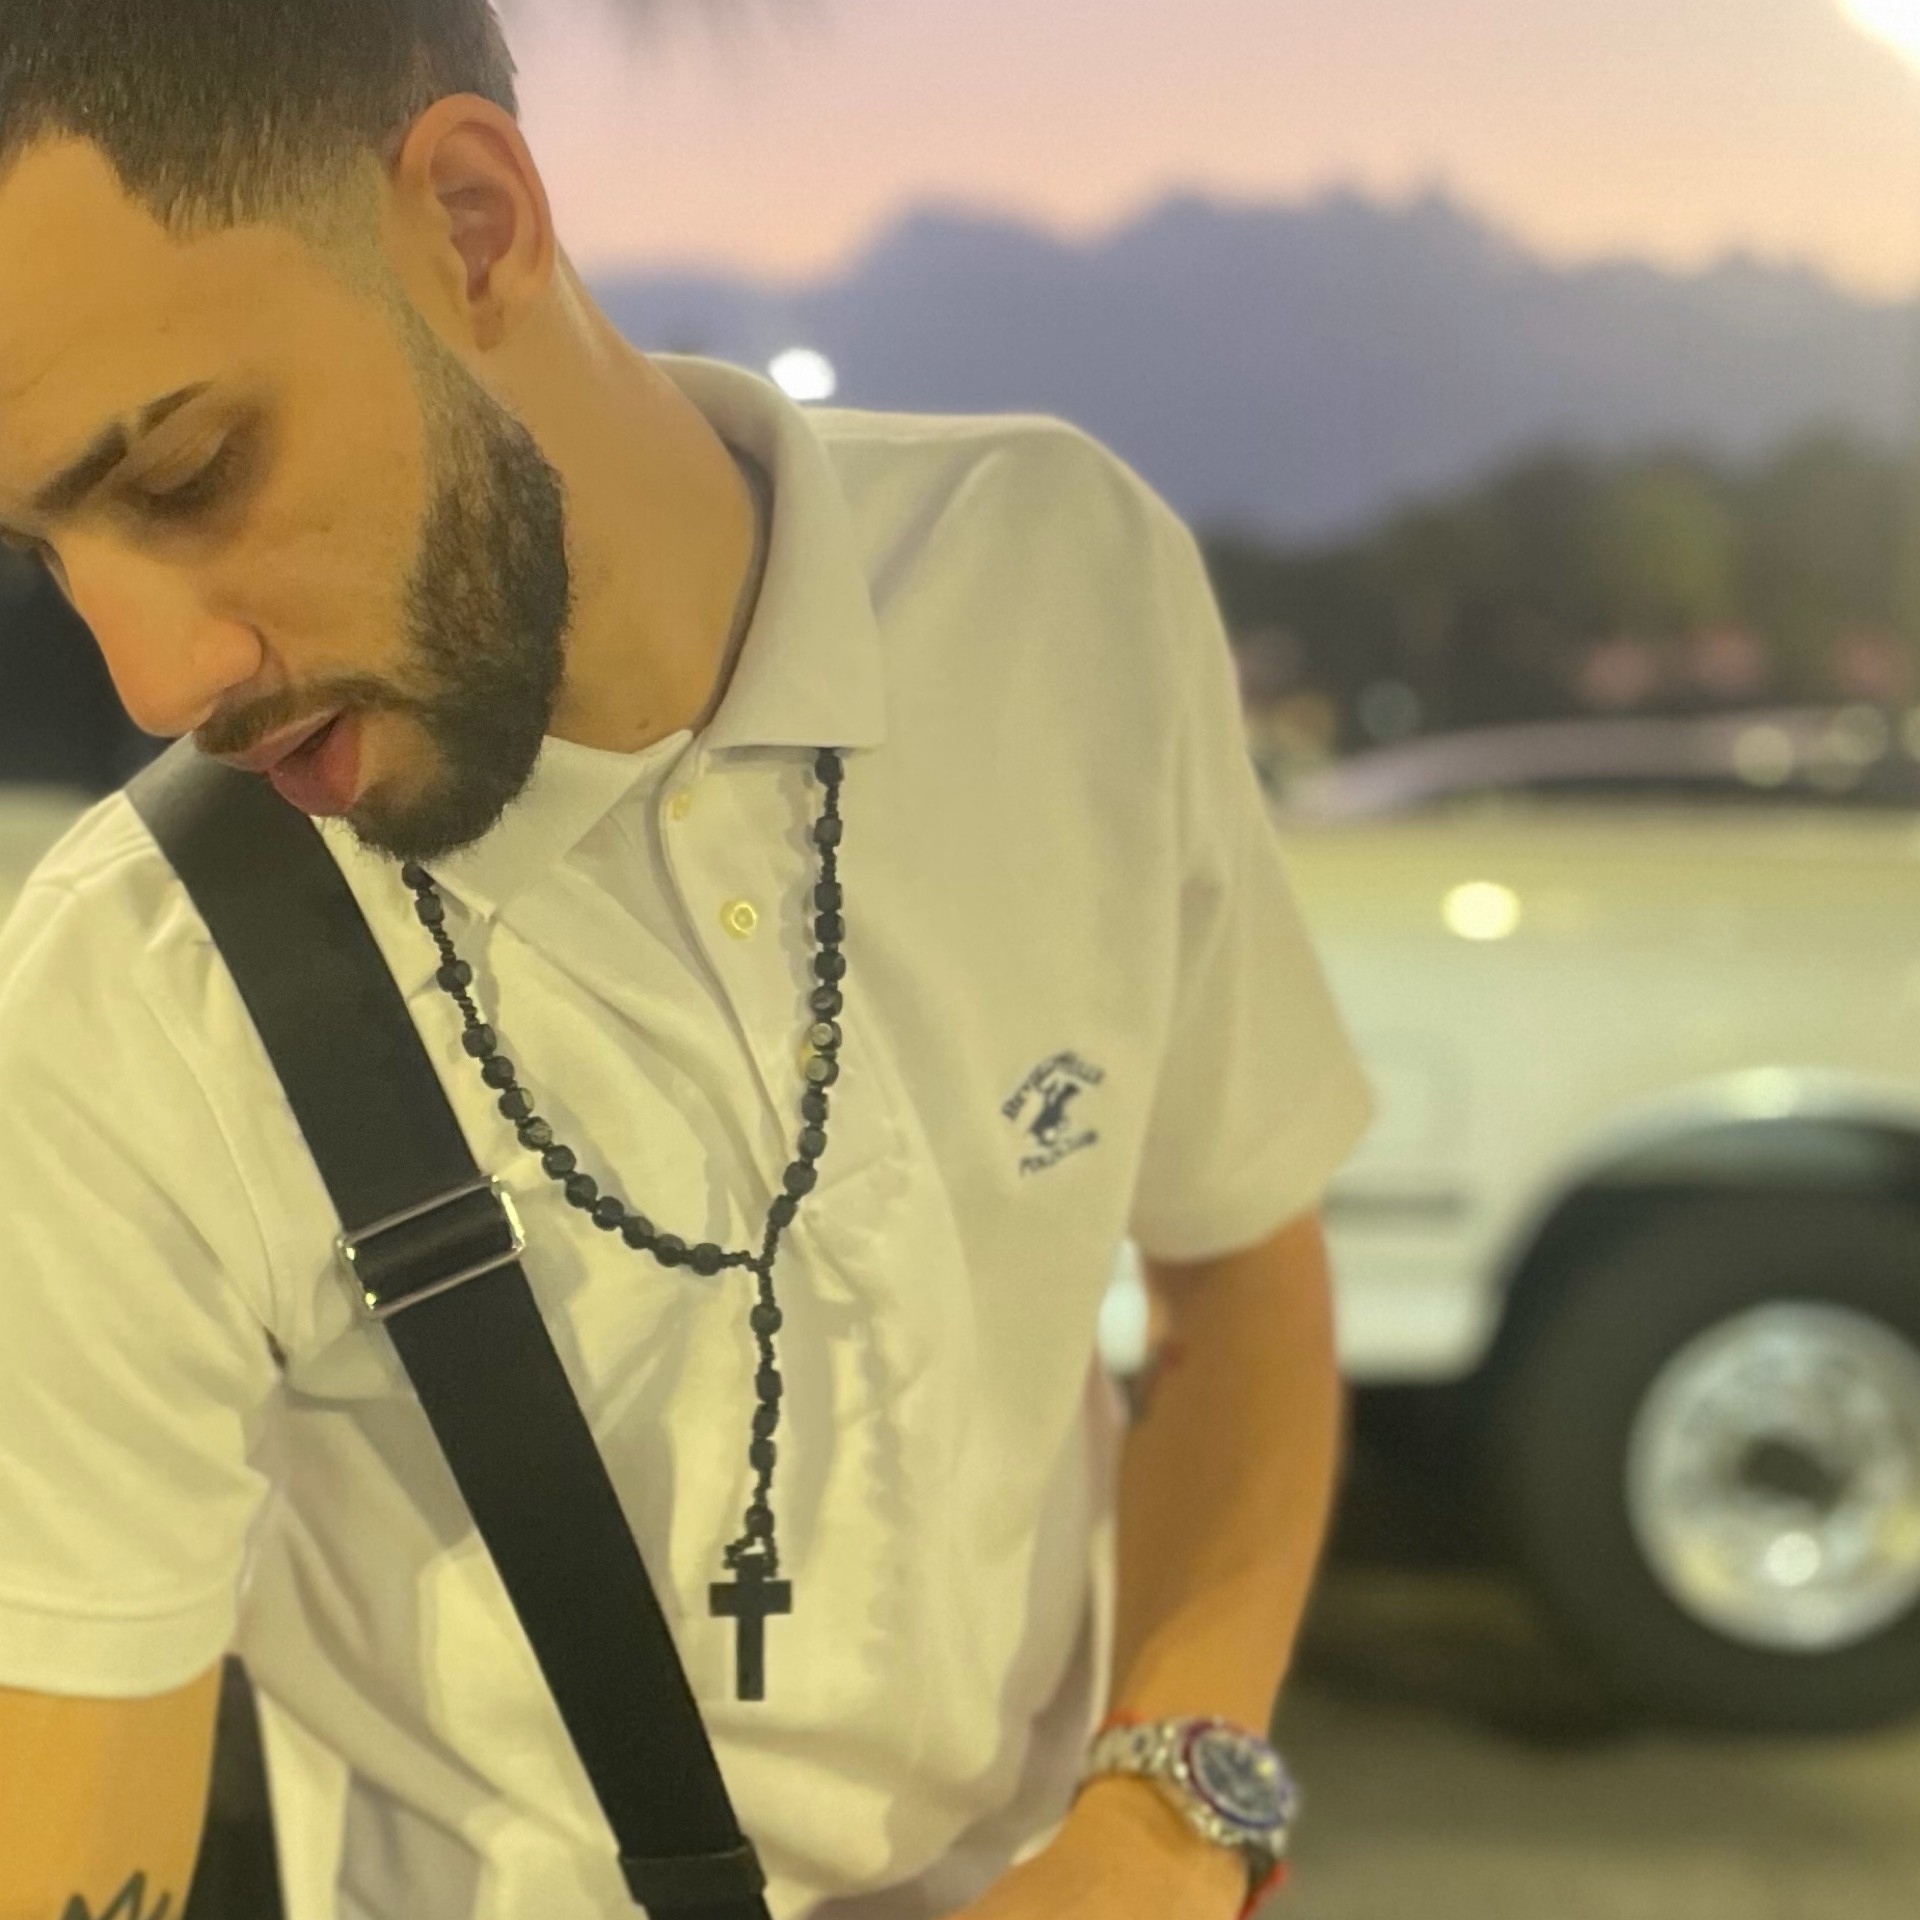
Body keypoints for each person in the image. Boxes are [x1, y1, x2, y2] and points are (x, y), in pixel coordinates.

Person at [0, 3, 1375, 1917]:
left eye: (188, 472)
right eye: (45, 551)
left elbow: (1239, 1274)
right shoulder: (122, 1002)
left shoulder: (1060, 579)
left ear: (474, 221)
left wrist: (1165, 1822)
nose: (157, 679)